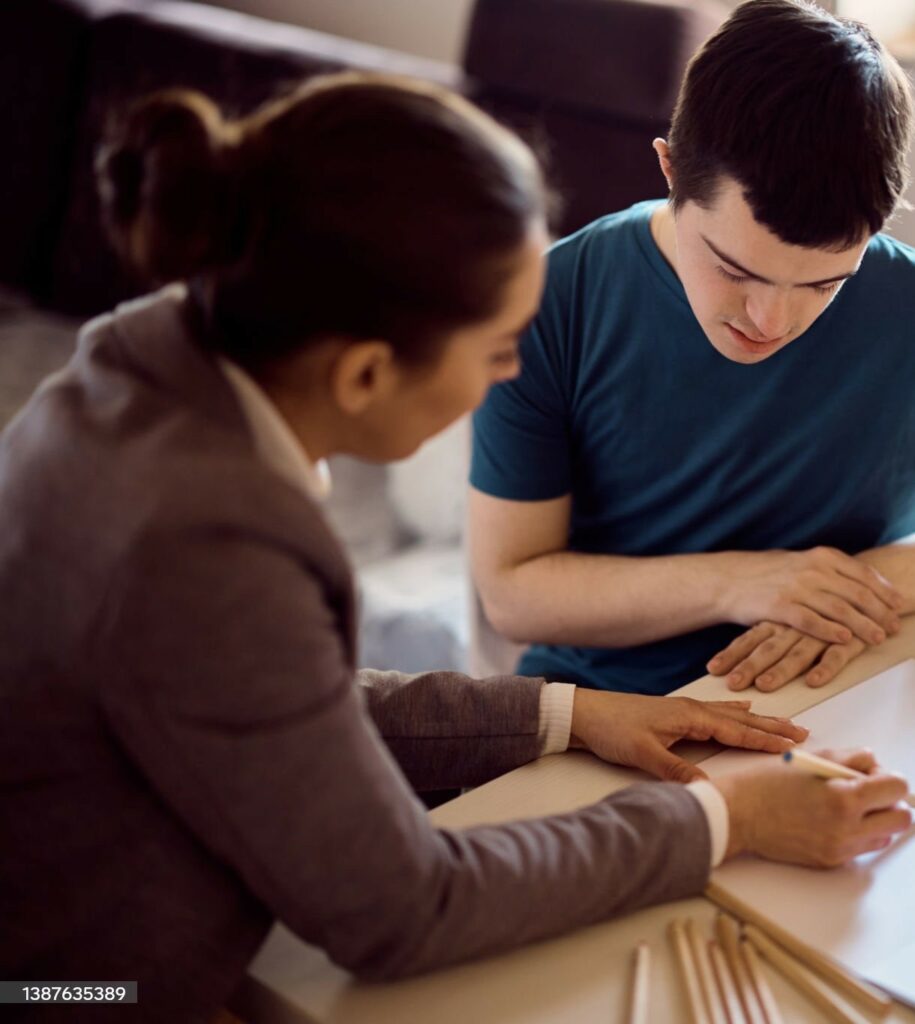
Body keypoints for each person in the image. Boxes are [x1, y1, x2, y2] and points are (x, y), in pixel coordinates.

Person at [0, 72, 909, 1024]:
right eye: (492, 350)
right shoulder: (206, 538)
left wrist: (561, 715)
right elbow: (403, 909)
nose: (511, 371)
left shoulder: (126, 370)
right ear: (363, 373)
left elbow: (266, 692)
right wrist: (725, 818)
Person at [469, 0, 915, 697]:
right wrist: (744, 583)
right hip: (605, 702)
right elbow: (511, 594)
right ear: (670, 169)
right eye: (735, 269)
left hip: (847, 672)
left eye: (825, 284)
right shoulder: (550, 301)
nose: (770, 320)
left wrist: (849, 590)